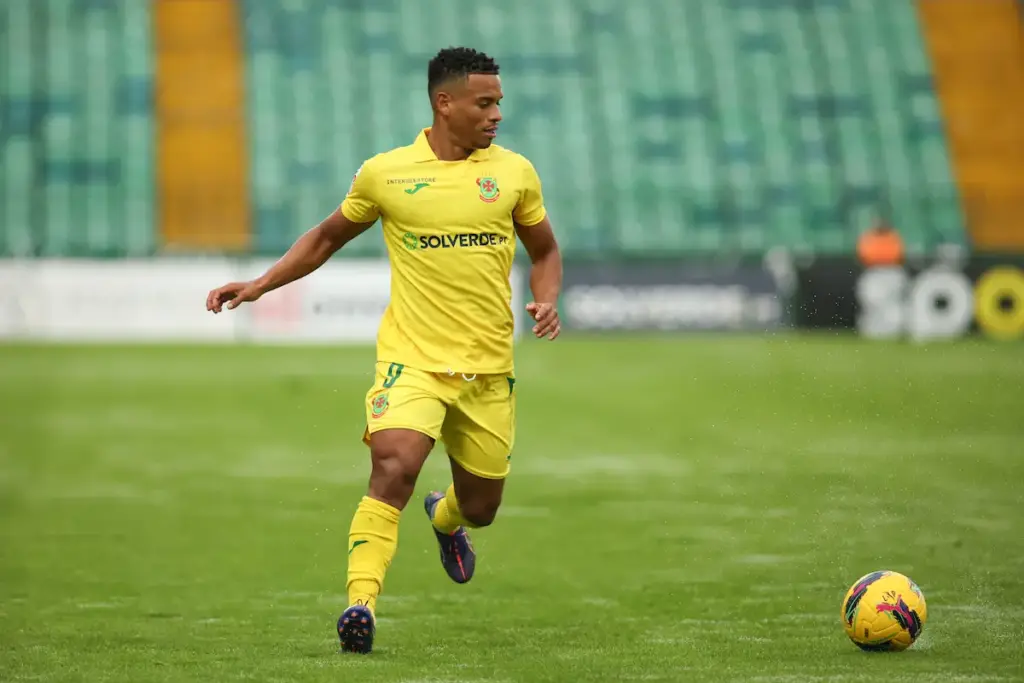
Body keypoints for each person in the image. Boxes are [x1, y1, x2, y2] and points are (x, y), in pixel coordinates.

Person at [205, 46, 563, 655]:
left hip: (487, 371)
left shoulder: (514, 173)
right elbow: (326, 237)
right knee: (393, 467)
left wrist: (546, 298)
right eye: (485, 103)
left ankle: (444, 517)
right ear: (444, 103)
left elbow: (545, 251)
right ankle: (360, 605)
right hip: (411, 360)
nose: (497, 114)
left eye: (499, 102)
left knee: (481, 508)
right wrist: (261, 284)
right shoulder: (386, 174)